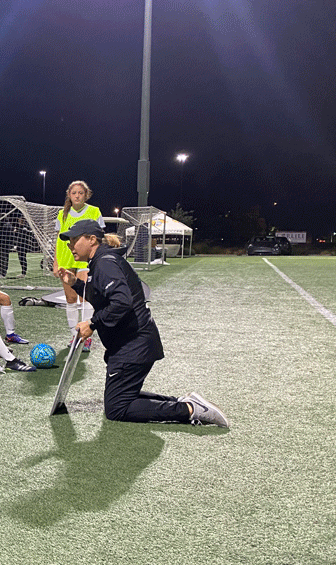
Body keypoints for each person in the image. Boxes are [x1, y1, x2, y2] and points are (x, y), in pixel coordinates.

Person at [55, 219, 228, 427]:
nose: (70, 245)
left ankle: (190, 410)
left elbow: (122, 302)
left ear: (92, 240)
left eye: (74, 240)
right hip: (132, 343)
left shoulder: (105, 263)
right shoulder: (102, 261)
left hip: (133, 346)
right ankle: (183, 402)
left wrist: (92, 324)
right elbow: (103, 297)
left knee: (117, 408)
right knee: (120, 398)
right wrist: (76, 284)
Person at [54, 181, 104, 351]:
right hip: (65, 258)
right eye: (74, 193)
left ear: (86, 195)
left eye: (80, 193)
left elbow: (100, 237)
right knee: (70, 299)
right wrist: (56, 262)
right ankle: (74, 336)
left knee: (85, 297)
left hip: (85, 259)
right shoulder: (62, 214)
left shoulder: (94, 211)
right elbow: (58, 240)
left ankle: (86, 336)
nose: (77, 196)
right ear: (69, 195)